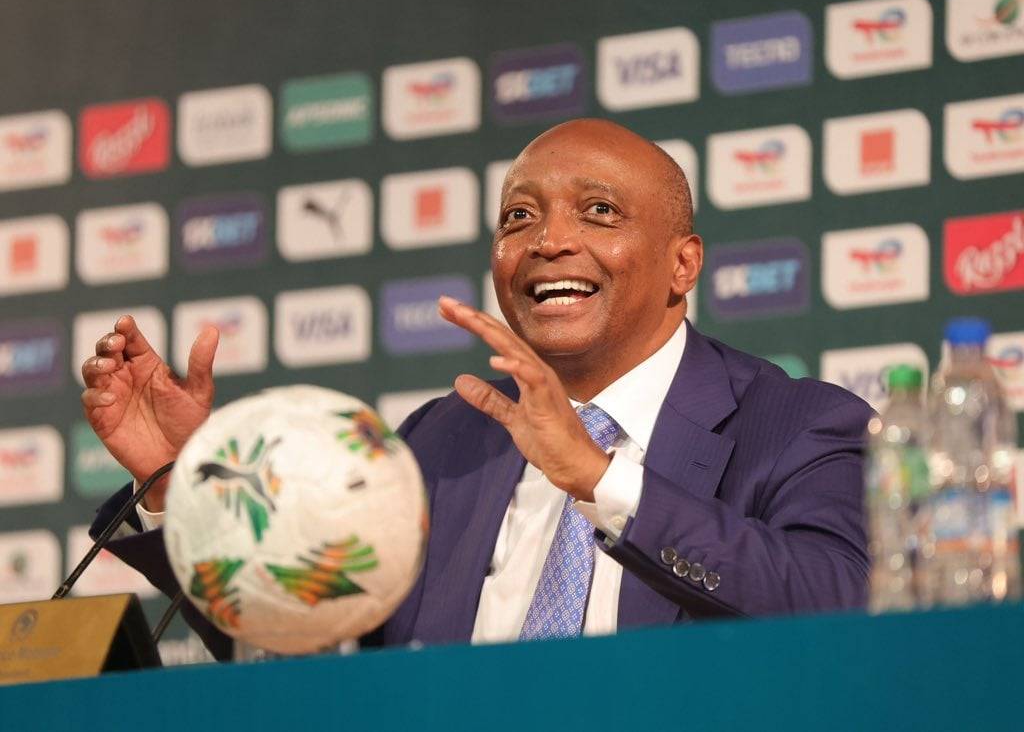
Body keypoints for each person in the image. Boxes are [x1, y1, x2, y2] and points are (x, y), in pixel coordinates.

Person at [83, 119, 872, 660]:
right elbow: (309, 644)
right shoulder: (440, 442)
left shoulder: (798, 426)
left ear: (683, 263)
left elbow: (845, 605)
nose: (549, 240)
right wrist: (185, 488)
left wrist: (598, 478)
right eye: (518, 217)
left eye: (599, 212)